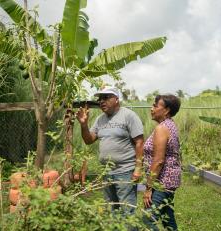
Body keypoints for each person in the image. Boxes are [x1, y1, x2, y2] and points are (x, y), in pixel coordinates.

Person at [76, 86, 144, 214]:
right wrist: (84, 125)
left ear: (116, 99)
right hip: (106, 172)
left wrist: (138, 168)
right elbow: (89, 140)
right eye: (100, 99)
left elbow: (140, 142)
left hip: (125, 171)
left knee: (127, 210)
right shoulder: (100, 119)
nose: (101, 101)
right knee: (112, 209)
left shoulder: (128, 116)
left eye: (106, 97)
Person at [143, 94, 181, 231]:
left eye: (155, 105)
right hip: (167, 181)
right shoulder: (169, 125)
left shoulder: (162, 128)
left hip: (162, 183)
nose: (151, 108)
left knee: (148, 218)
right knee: (168, 220)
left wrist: (148, 188)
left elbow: (158, 161)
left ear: (166, 110)